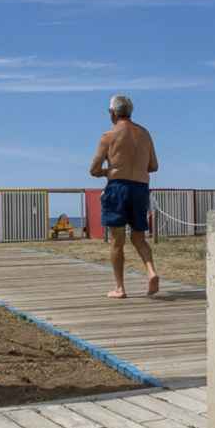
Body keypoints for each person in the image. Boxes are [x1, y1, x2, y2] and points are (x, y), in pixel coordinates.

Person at [89, 94, 160, 298]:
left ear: (112, 113)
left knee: (117, 241)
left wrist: (108, 171)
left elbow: (93, 169)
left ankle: (120, 288)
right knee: (139, 237)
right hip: (140, 187)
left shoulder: (108, 136)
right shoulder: (145, 134)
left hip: (118, 187)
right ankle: (151, 271)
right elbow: (154, 166)